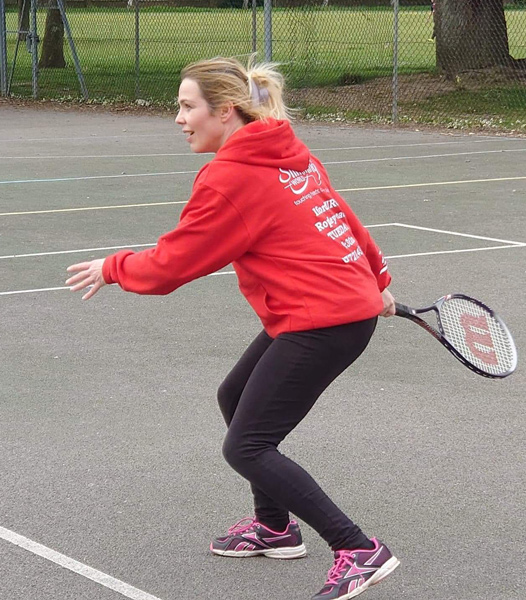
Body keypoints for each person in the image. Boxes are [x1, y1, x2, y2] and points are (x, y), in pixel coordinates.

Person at [66, 56, 399, 600]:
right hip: (324, 310)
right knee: (235, 395)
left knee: (246, 446)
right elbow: (344, 218)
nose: (178, 118)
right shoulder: (289, 153)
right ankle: (275, 527)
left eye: (186, 106)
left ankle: (358, 548)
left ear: (224, 112)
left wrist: (113, 267)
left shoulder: (230, 178)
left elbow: (174, 265)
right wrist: (377, 278)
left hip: (323, 320)